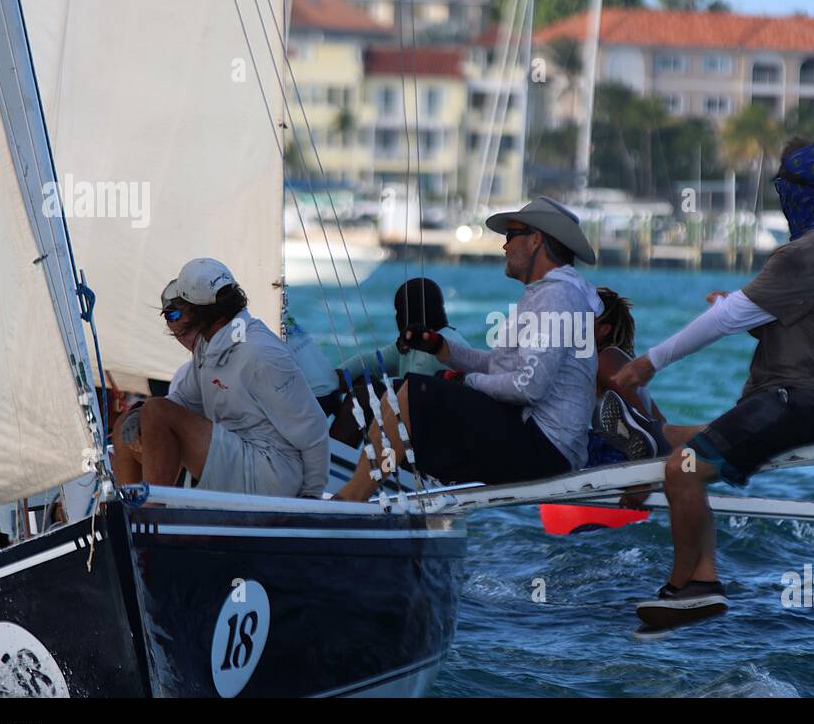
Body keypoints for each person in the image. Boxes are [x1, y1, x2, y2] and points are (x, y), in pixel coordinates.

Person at [612, 140, 814, 631]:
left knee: (684, 471)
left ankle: (696, 585)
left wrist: (649, 362)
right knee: (679, 441)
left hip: (795, 398)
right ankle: (647, 437)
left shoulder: (805, 252)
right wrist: (738, 307)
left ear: (786, 192)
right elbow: (800, 320)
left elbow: (727, 319)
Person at [333, 196, 603, 500]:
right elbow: (502, 369)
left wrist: (465, 380)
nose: (505, 246)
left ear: (536, 240)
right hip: (536, 438)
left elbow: (529, 387)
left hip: (546, 448)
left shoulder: (557, 298)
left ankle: (351, 500)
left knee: (412, 395)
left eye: (510, 236)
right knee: (401, 394)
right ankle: (359, 496)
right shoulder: (552, 295)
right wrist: (441, 348)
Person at [110, 258, 331, 498]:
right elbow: (183, 401)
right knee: (128, 423)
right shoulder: (210, 347)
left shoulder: (260, 352)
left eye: (180, 308)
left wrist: (311, 497)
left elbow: (314, 431)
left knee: (155, 410)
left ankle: (152, 513)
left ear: (196, 310)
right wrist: (138, 416)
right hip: (240, 456)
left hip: (273, 472)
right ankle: (131, 516)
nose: (178, 318)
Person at [331, 278, 469, 444]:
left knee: (366, 393)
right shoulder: (413, 343)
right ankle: (336, 451)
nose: (397, 317)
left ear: (413, 311)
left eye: (399, 310)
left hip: (434, 441)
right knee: (363, 381)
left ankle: (332, 454)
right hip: (410, 429)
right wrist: (332, 379)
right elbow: (371, 363)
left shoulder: (447, 347)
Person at [587, 287, 669, 464]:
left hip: (623, 454)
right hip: (650, 449)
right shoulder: (614, 359)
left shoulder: (606, 359)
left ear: (604, 330)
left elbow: (644, 420)